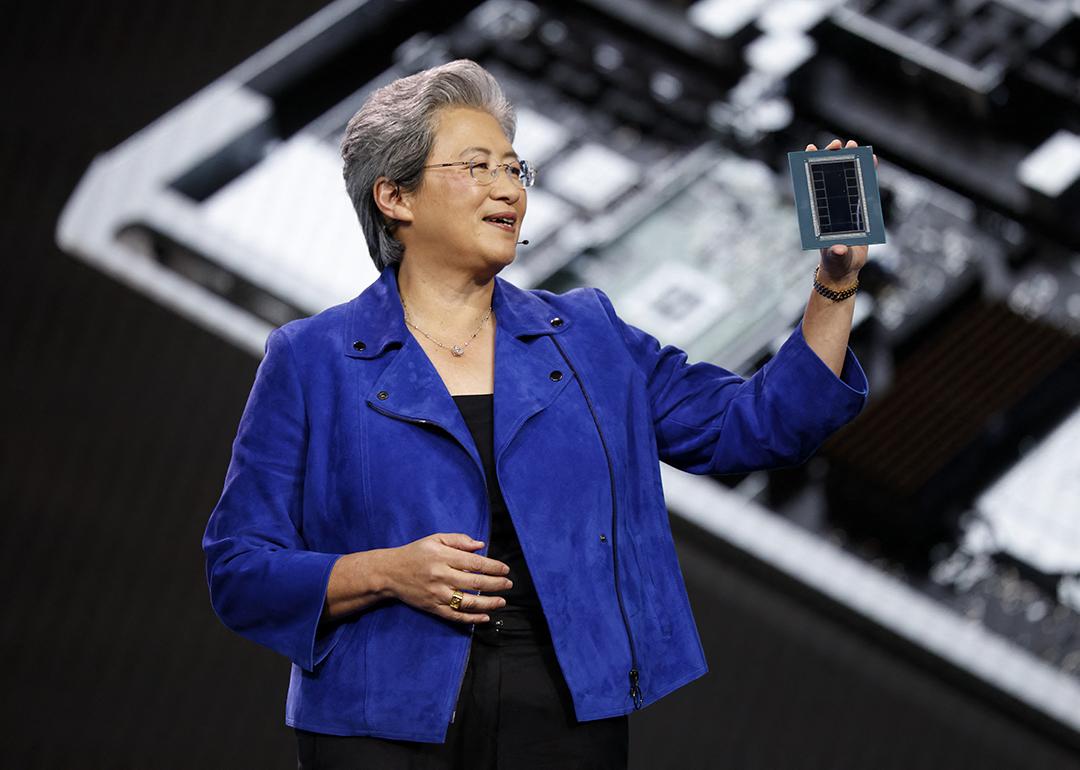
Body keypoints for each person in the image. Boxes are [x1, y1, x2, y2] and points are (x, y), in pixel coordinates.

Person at [201, 58, 871, 769]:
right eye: (478, 167)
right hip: (379, 719)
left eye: (516, 170)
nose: (508, 190)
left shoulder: (588, 336)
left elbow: (758, 427)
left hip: (560, 711)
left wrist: (835, 284)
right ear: (396, 197)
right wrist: (385, 573)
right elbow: (239, 569)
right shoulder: (311, 359)